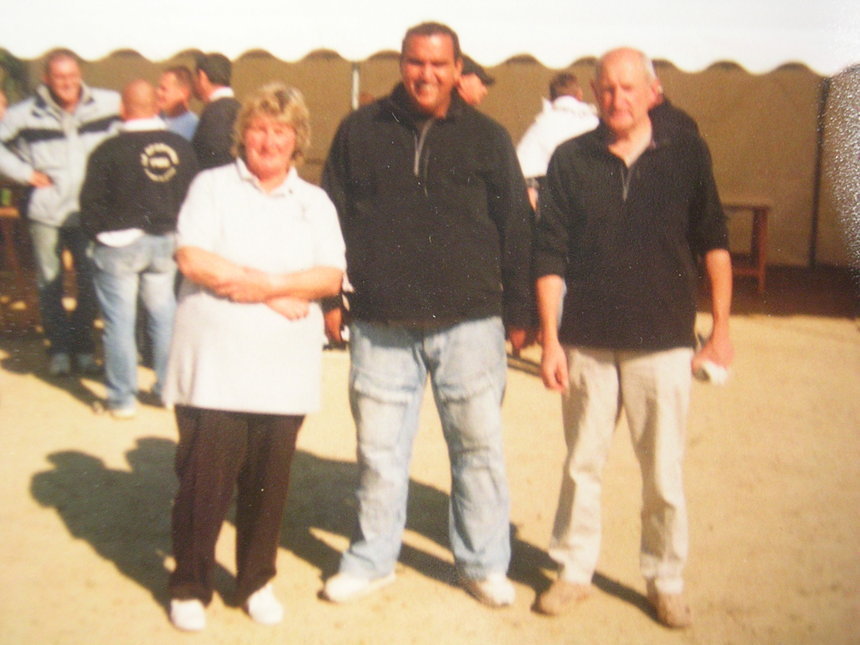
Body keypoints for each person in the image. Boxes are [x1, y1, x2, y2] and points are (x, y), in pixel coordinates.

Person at [320, 21, 535, 608]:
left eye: (440, 65)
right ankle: (372, 559)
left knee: (478, 451)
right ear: (401, 63)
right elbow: (329, 218)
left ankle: (482, 563)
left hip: (469, 323)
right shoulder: (358, 131)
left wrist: (521, 311)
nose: (427, 75)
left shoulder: (489, 138)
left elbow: (517, 225)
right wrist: (329, 300)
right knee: (380, 452)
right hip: (381, 323)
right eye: (417, 62)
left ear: (458, 68)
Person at [532, 48, 733, 628]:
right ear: (594, 94)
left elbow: (714, 243)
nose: (617, 99)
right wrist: (550, 340)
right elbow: (549, 256)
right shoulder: (570, 160)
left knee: (663, 472)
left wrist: (720, 331)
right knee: (581, 465)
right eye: (607, 90)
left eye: (628, 88)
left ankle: (665, 578)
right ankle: (574, 571)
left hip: (664, 342)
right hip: (587, 342)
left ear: (653, 92)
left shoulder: (687, 155)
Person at [162, 82, 345, 632]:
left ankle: (256, 581)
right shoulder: (211, 186)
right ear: (243, 135)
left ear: (297, 142)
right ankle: (190, 584)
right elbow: (193, 258)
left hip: (283, 374)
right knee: (203, 484)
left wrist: (260, 282)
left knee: (267, 487)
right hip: (215, 369)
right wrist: (274, 292)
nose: (268, 140)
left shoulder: (314, 201)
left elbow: (330, 274)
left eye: (280, 131)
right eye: (259, 129)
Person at [80, 80, 198, 419]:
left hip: (118, 244)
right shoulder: (180, 146)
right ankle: (167, 390)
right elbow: (193, 195)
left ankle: (122, 399)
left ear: (123, 109)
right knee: (164, 315)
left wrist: (99, 234)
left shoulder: (107, 150)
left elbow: (90, 204)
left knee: (119, 321)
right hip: (166, 242)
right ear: (155, 107)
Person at [0, 49, 120, 376]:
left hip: (88, 212)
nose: (67, 83)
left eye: (72, 75)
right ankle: (59, 350)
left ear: (80, 73)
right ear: (46, 78)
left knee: (89, 280)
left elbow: (133, 131)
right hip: (46, 212)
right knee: (49, 282)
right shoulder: (25, 113)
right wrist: (24, 174)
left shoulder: (108, 104)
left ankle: (83, 347)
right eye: (59, 77)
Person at [516, 72, 599, 210]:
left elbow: (519, 169)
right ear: (579, 94)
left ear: (551, 97)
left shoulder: (538, 126)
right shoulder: (592, 122)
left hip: (540, 197)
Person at [191, 52, 240, 170]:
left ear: (202, 77)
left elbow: (214, 160)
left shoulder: (215, 114)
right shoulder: (238, 108)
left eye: (195, 78)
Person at [156, 66, 199, 140]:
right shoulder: (157, 122)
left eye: (164, 89)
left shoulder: (194, 126)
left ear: (183, 93)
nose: (158, 92)